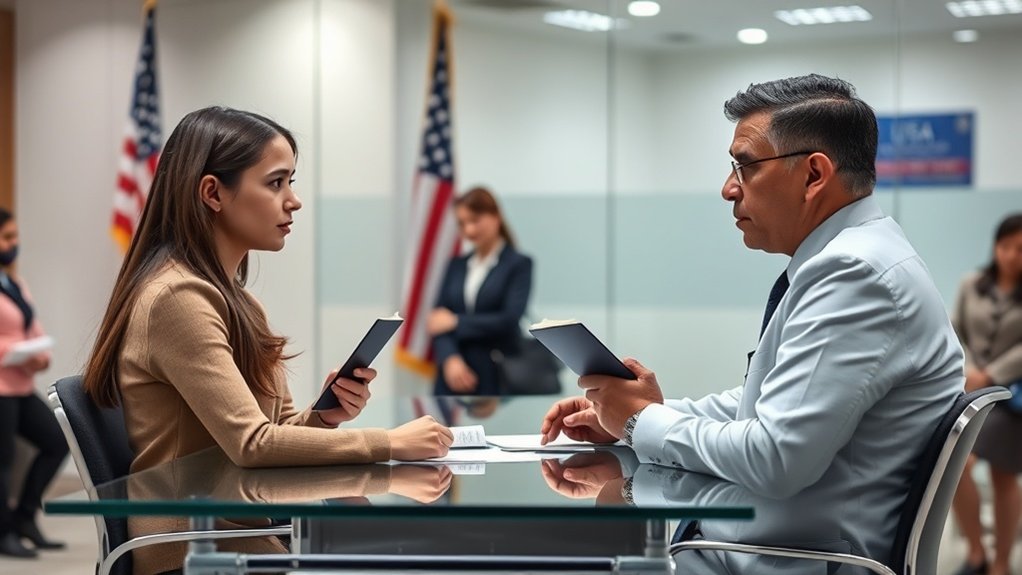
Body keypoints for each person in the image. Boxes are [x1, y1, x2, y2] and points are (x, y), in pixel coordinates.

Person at [540, 74, 964, 562]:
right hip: (766, 545)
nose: (727, 189)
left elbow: (775, 458)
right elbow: (766, 405)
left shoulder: (855, 273)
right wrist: (644, 414)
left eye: (744, 167)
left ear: (813, 175)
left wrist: (640, 422)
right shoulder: (857, 255)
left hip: (784, 559)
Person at [82, 107, 454, 574]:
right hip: (195, 550)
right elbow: (253, 446)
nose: (293, 201)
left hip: (238, 535)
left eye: (291, 182)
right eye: (276, 183)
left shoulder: (235, 301)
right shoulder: (177, 298)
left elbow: (268, 438)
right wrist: (390, 444)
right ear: (213, 193)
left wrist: (323, 418)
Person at [950, 213, 1022, 575]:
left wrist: (991, 373)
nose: (1011, 255)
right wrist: (971, 371)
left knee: (1003, 476)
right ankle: (976, 551)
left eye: (1020, 249)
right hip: (971, 393)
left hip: (1012, 400)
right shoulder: (971, 283)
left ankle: (1001, 562)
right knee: (954, 466)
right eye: (1005, 245)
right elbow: (954, 331)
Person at [0, 208, 69, 559]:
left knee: (57, 441)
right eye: (7, 238)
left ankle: (25, 516)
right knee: (4, 460)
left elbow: (32, 325)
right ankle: (3, 533)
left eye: (15, 237)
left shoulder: (14, 282)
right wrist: (16, 351)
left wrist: (40, 353)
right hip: (0, 388)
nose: (14, 245)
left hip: (21, 386)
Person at [428, 186, 533, 395]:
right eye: (462, 223)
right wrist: (450, 358)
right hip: (452, 373)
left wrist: (457, 321)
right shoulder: (456, 265)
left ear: (496, 216)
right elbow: (438, 320)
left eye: (475, 220)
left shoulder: (518, 264)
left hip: (496, 373)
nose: (469, 230)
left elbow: (509, 319)